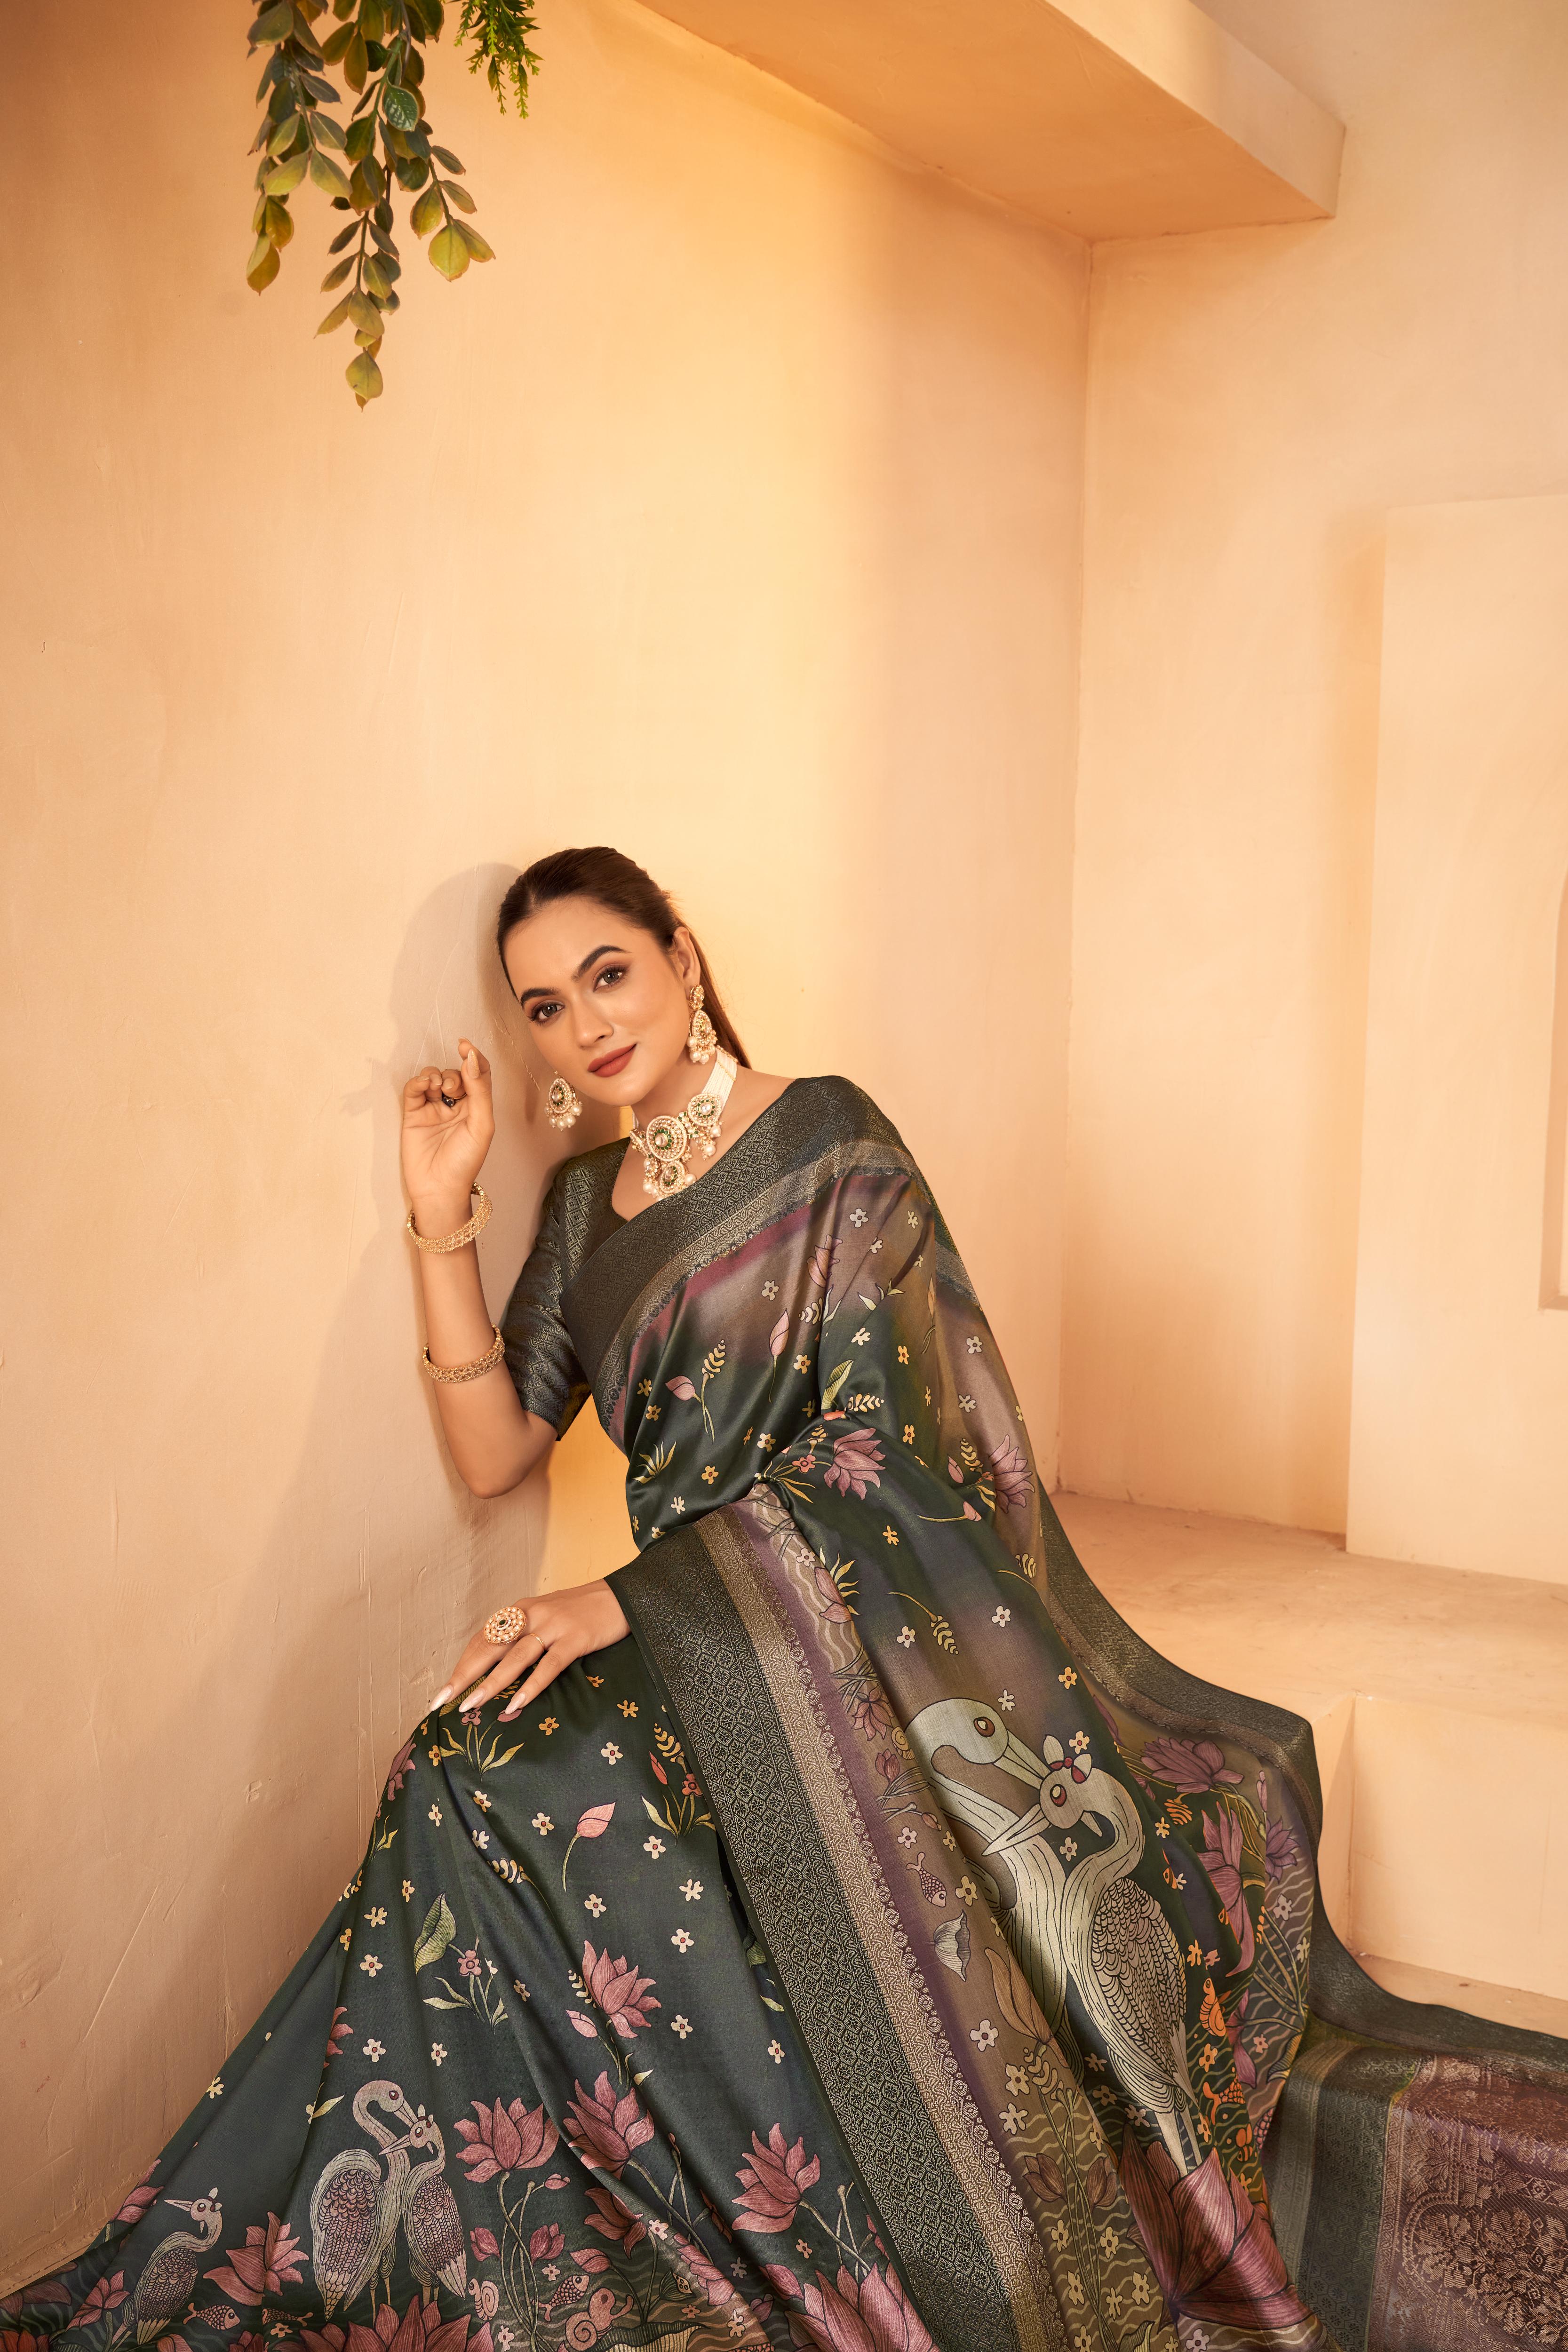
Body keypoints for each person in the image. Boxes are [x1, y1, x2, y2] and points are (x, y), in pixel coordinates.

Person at [16, 849, 1568, 2352]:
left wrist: (627, 1601)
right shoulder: (584, 1208)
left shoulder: (827, 1140)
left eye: (607, 974)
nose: (584, 1024)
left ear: (682, 959)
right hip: (688, 1628)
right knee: (456, 1769)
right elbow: (494, 1451)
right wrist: (442, 1213)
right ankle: (505, 2230)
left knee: (520, 1792)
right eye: (544, 1005)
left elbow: (899, 1443)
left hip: (832, 1635)